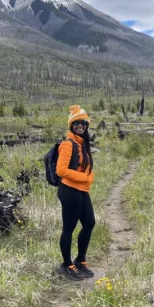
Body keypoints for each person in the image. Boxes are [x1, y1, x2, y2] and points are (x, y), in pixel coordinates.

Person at [56, 105, 95, 280]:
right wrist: (83, 178)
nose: (80, 126)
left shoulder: (84, 143)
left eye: (83, 123)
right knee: (69, 228)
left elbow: (88, 169)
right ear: (71, 125)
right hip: (69, 191)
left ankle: (80, 259)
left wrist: (88, 178)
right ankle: (66, 264)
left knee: (89, 223)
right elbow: (61, 170)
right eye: (77, 123)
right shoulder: (67, 144)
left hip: (81, 190)